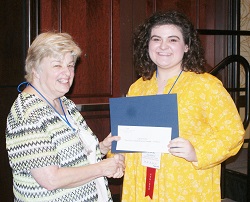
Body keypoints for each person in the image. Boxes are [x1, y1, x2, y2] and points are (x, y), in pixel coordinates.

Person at [121, 11, 245, 201]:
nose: (163, 46)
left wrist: (197, 152)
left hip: (185, 186)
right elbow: (127, 134)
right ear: (147, 45)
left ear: (187, 46)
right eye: (156, 39)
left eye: (172, 40)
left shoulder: (205, 85)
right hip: (142, 181)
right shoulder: (138, 88)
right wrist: (115, 153)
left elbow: (233, 134)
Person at [6, 32, 125, 202]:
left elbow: (70, 158)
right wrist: (102, 168)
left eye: (70, 65)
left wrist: (101, 148)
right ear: (35, 69)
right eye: (57, 65)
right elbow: (51, 179)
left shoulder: (63, 102)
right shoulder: (28, 114)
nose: (67, 73)